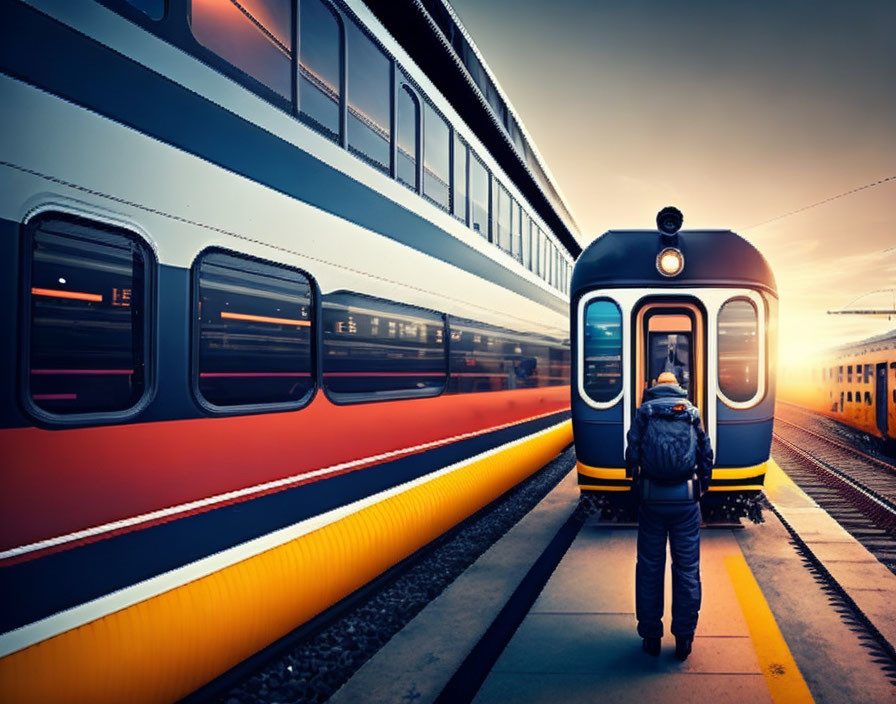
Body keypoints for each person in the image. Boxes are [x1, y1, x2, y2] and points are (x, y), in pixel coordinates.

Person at [625, 371, 713, 661]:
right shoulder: (690, 413)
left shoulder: (645, 412)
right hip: (685, 503)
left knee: (649, 568)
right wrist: (702, 486)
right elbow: (705, 452)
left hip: (652, 501)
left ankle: (651, 635)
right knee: (687, 569)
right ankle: (684, 637)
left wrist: (636, 484)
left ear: (655, 388)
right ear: (677, 388)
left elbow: (632, 452)